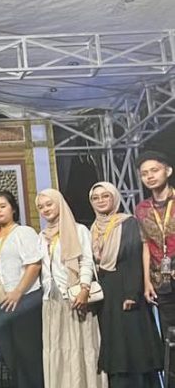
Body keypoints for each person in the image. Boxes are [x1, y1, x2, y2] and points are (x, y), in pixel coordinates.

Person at [90, 182, 163, 387]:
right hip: (107, 293)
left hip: (127, 289)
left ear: (114, 197)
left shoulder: (127, 222)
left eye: (105, 196)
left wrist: (131, 293)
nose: (100, 201)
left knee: (133, 342)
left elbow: (133, 256)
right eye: (95, 198)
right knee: (115, 343)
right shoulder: (93, 228)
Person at [36, 188, 107, 388]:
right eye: (40, 207)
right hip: (51, 299)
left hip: (75, 297)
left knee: (80, 346)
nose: (45, 209)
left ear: (60, 203)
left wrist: (84, 289)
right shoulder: (41, 236)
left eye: (49, 204)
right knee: (57, 349)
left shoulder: (78, 230)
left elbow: (86, 261)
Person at [0, 190, 43, 387]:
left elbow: (34, 265)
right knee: (10, 357)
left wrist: (18, 291)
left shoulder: (23, 232)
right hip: (1, 302)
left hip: (25, 301)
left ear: (13, 209)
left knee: (28, 357)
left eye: (3, 206)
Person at [134, 151, 175, 383]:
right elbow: (145, 245)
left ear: (167, 171)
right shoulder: (142, 209)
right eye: (144, 173)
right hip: (161, 280)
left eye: (154, 170)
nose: (149, 176)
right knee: (169, 337)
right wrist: (147, 281)